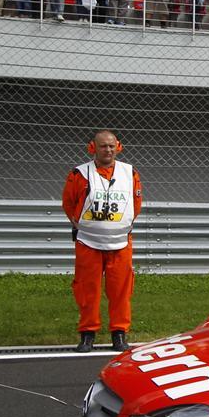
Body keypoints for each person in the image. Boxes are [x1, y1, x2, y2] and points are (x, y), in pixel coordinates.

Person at [61, 130, 143, 354]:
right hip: (88, 242)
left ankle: (119, 333)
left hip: (121, 243)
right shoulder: (79, 174)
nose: (107, 150)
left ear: (118, 146)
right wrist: (84, 226)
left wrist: (119, 225)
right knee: (87, 290)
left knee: (121, 290)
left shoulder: (130, 173)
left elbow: (136, 204)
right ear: (92, 148)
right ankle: (87, 334)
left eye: (111, 146)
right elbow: (69, 203)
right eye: (102, 146)